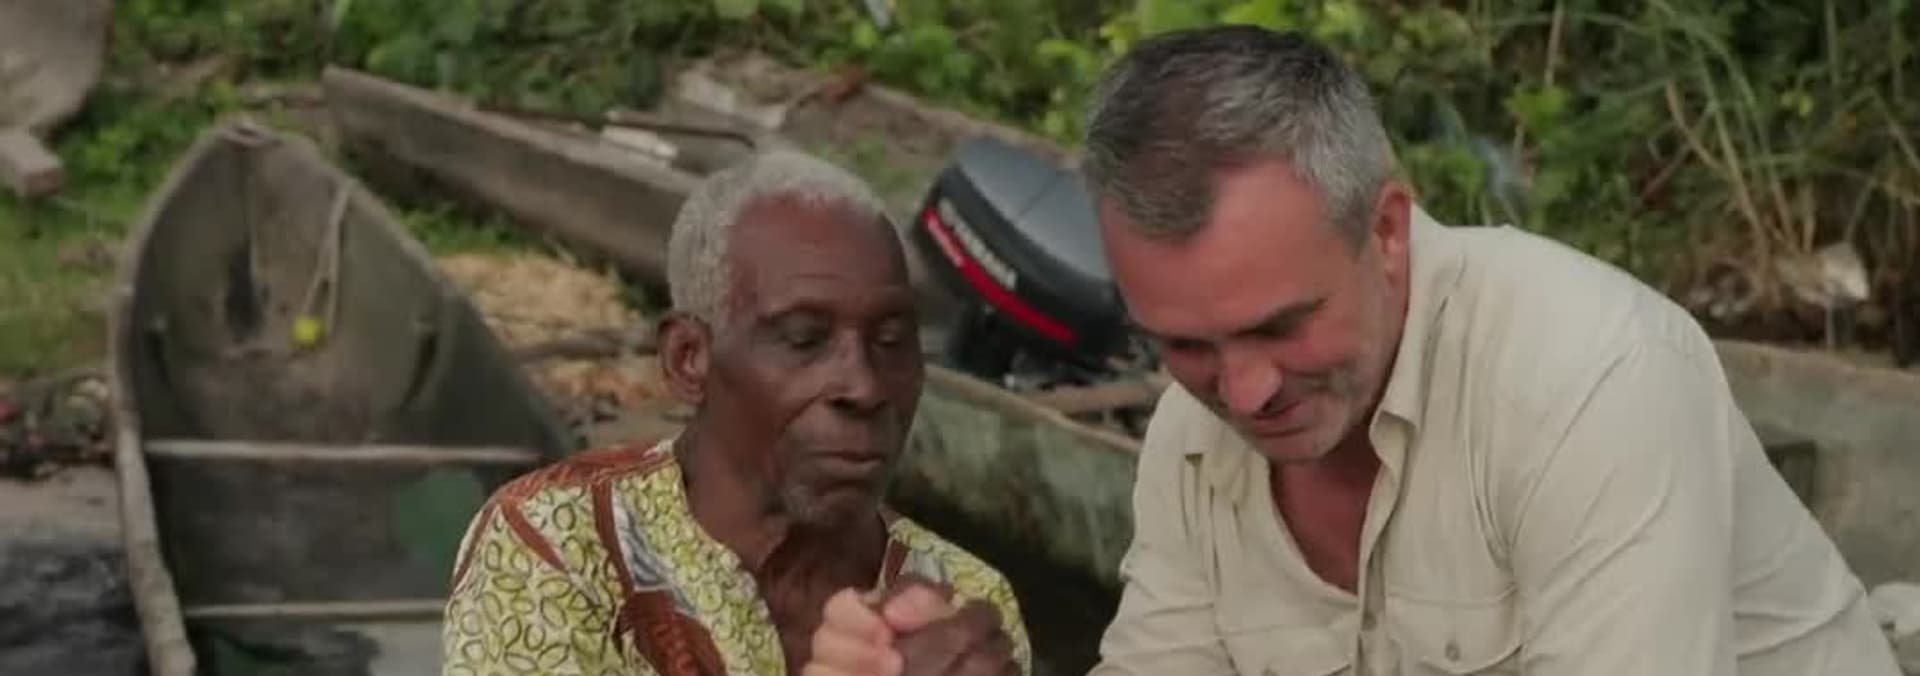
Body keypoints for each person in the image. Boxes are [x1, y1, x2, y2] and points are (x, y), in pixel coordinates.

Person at [800, 25, 1901, 676]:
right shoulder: (1193, 438)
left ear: (1387, 229)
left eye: (1282, 324)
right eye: (1183, 343)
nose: (1244, 392)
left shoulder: (1590, 380)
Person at [439, 149, 1030, 675]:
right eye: (804, 339)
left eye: (892, 341)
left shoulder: (962, 602)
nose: (864, 386)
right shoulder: (557, 543)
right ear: (689, 359)